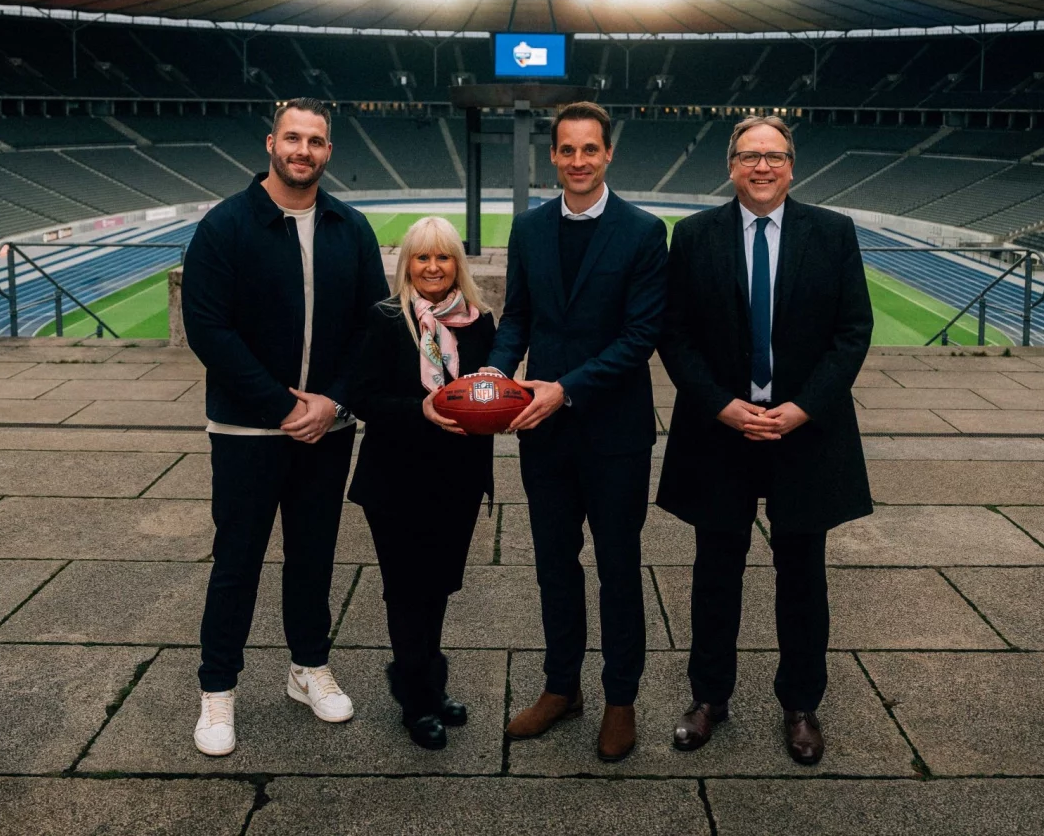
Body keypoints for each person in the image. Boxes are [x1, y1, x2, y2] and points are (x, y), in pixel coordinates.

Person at [655, 114, 874, 766]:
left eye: (773, 156)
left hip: (804, 433)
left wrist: (803, 408)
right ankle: (709, 697)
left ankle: (801, 704)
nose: (762, 166)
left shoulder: (832, 233)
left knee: (802, 575)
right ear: (731, 166)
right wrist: (721, 406)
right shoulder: (694, 235)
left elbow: (852, 332)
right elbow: (674, 335)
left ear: (791, 166)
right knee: (714, 572)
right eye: (750, 156)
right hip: (720, 430)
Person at [181, 98, 389, 757]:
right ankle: (218, 690)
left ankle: (308, 667)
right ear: (271, 143)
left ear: (329, 151)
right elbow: (207, 327)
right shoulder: (225, 225)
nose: (304, 150)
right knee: (236, 563)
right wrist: (279, 405)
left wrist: (333, 402)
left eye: (316, 141)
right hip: (247, 430)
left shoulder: (350, 227)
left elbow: (374, 324)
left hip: (326, 429)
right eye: (293, 138)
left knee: (313, 557)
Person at [489, 100, 668, 763]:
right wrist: (494, 373)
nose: (578, 160)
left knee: (618, 568)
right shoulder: (530, 229)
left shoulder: (644, 232)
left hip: (614, 432)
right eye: (567, 150)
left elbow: (640, 336)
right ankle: (561, 687)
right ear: (553, 156)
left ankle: (621, 699)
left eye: (590, 149)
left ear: (608, 153)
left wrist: (565, 388)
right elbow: (517, 317)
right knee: (553, 568)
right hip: (544, 433)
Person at [348, 216, 497, 750]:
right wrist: (421, 410)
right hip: (397, 479)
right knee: (407, 591)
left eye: (443, 256)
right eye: (422, 257)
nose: (433, 267)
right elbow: (362, 396)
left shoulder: (480, 322)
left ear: (458, 263)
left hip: (457, 478)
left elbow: (487, 393)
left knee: (437, 589)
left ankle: (428, 683)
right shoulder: (387, 317)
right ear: (406, 264)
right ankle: (416, 701)